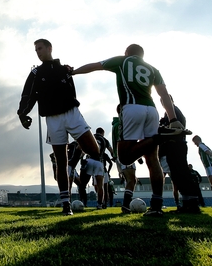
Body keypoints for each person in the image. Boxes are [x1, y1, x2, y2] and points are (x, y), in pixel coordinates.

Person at [72, 44, 189, 217]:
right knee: (152, 160)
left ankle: (159, 137)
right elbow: (164, 96)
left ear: (127, 52)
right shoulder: (153, 68)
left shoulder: (122, 60)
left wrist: (73, 72)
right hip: (152, 110)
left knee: (124, 157)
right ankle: (156, 205)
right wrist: (173, 120)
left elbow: (94, 66)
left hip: (132, 108)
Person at [17, 39, 100, 216]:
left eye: (40, 48)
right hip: (53, 119)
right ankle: (66, 204)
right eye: (36, 50)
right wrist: (23, 114)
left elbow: (72, 80)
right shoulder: (36, 73)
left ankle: (79, 158)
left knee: (95, 151)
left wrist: (70, 70)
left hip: (73, 114)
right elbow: (28, 95)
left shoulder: (66, 69)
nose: (38, 52)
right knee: (61, 162)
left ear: (49, 48)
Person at [157, 96, 202, 213]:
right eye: (162, 101)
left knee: (180, 175)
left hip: (175, 145)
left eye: (164, 101)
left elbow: (174, 130)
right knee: (178, 175)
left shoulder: (173, 113)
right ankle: (188, 203)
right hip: (177, 145)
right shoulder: (171, 113)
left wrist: (161, 129)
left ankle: (191, 204)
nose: (163, 103)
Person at [192, 135, 212, 208]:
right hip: (211, 165)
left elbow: (207, 152)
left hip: (209, 166)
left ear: (197, 140)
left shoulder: (201, 145)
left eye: (194, 142)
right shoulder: (203, 145)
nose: (195, 144)